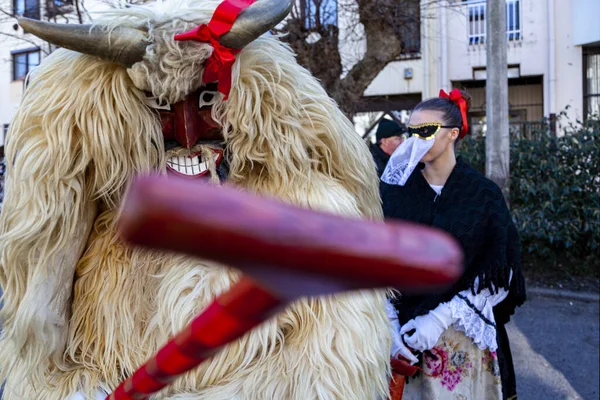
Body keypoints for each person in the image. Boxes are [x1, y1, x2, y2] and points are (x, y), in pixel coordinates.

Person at [381, 89, 526, 400]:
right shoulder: (395, 192)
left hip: (461, 338)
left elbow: (499, 269)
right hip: (404, 343)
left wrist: (439, 318)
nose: (416, 139)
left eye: (426, 130)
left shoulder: (482, 195)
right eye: (411, 131)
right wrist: (390, 324)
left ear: (453, 134)